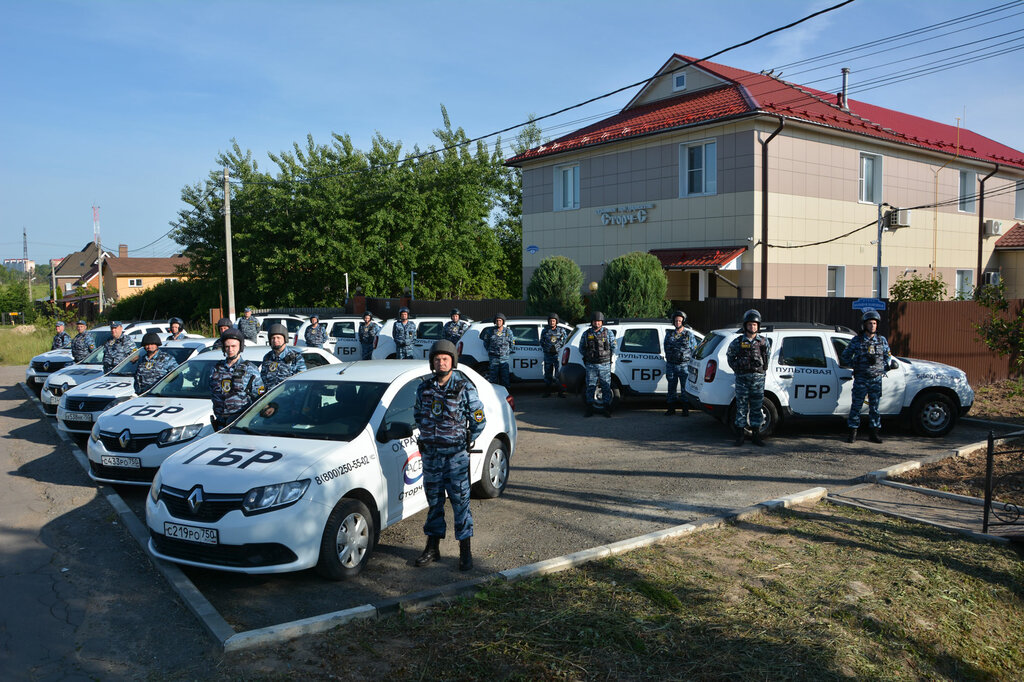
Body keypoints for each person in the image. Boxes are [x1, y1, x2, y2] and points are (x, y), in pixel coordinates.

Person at [413, 340, 486, 572]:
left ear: (452, 361)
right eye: (437, 359)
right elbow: (417, 415)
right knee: (434, 503)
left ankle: (465, 551)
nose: (440, 362)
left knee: (460, 504)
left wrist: (464, 440)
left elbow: (478, 420)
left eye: (445, 358)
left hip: (455, 458)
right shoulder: (424, 388)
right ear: (432, 362)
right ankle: (433, 548)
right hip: (431, 457)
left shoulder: (465, 387)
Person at [841, 309, 892, 444]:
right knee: (856, 406)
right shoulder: (857, 340)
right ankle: (852, 433)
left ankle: (874, 433)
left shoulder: (882, 340)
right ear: (865, 325)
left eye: (875, 323)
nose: (873, 326)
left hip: (876, 379)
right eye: (870, 323)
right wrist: (855, 365)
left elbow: (888, 357)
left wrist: (884, 367)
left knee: (874, 407)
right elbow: (845, 356)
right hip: (861, 379)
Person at [726, 309, 770, 446]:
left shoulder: (763, 342)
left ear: (758, 326)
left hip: (758, 379)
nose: (752, 327)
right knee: (741, 407)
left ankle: (756, 435)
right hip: (742, 379)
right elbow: (730, 357)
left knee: (757, 407)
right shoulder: (738, 342)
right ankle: (740, 436)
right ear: (745, 325)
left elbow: (766, 358)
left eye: (755, 325)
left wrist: (761, 371)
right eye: (750, 324)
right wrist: (738, 369)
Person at [208, 328, 264, 429]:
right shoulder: (216, 369)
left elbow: (260, 397)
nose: (230, 350)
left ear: (240, 347)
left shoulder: (250, 369)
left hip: (241, 424)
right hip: (220, 423)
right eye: (227, 347)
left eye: (233, 346)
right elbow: (212, 393)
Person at [582, 311, 616, 417]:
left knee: (606, 387)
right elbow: (581, 348)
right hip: (591, 365)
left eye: (599, 321)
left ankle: (606, 409)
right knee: (590, 387)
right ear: (592, 322)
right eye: (595, 321)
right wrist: (588, 356)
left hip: (604, 364)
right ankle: (589, 409)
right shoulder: (587, 333)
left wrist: (607, 357)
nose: (597, 323)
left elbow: (614, 347)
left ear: (602, 322)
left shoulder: (608, 333)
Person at [663, 310, 695, 416]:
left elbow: (694, 349)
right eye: (676, 321)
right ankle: (671, 409)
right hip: (671, 365)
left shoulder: (688, 335)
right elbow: (665, 347)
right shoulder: (669, 334)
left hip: (684, 366)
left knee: (684, 388)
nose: (677, 323)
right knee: (671, 387)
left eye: (679, 321)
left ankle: (685, 409)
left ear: (683, 322)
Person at [261, 323, 307, 389]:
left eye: (278, 338)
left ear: (285, 339)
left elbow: (303, 381)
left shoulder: (296, 357)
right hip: (270, 397)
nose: (275, 340)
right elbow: (263, 378)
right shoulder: (267, 357)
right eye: (273, 338)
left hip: (288, 397)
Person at [540, 312, 568, 398]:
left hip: (557, 355)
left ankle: (560, 391)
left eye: (553, 321)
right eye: (551, 321)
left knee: (558, 374)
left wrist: (560, 349)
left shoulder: (561, 331)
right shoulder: (545, 331)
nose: (552, 322)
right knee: (548, 374)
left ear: (556, 321)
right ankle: (548, 391)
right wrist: (546, 349)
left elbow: (565, 341)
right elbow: (541, 341)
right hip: (548, 355)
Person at [484, 313, 515, 389]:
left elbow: (512, 343)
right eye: (497, 321)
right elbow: (486, 343)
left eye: (500, 320)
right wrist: (490, 351)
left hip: (504, 359)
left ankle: (506, 395)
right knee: (493, 378)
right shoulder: (490, 331)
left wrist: (507, 352)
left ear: (503, 322)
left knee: (505, 378)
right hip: (493, 358)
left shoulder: (508, 332)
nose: (498, 322)